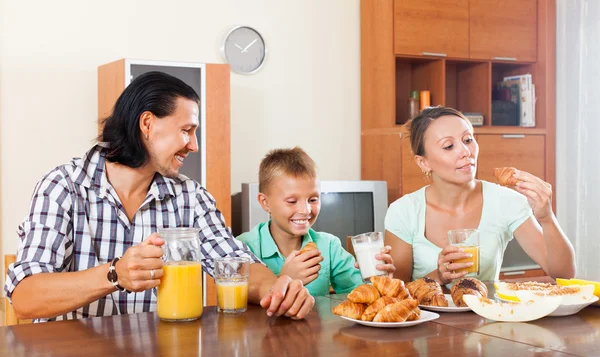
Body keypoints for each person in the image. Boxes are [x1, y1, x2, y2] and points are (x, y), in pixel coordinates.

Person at [4, 71, 313, 322]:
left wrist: (279, 289)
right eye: (187, 131)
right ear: (148, 124)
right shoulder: (64, 186)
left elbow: (235, 263)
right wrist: (115, 274)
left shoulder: (189, 197)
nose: (194, 145)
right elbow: (25, 298)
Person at [385, 106, 576, 286]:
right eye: (449, 146)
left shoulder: (506, 201)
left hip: (488, 317)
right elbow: (396, 290)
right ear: (423, 162)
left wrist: (547, 218)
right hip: (426, 320)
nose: (466, 152)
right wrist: (438, 276)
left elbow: (564, 274)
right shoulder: (404, 211)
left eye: (468, 140)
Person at [236, 147, 395, 296]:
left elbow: (361, 293)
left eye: (313, 199)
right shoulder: (243, 248)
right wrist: (284, 280)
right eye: (292, 201)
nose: (305, 210)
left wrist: (381, 282)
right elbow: (237, 304)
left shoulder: (329, 246)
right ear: (265, 202)